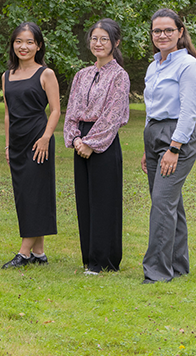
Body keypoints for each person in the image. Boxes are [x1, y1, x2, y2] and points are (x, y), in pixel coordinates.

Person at [141, 8, 196, 283]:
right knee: (170, 204)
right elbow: (151, 108)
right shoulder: (154, 66)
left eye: (168, 30)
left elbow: (189, 112)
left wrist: (174, 148)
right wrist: (147, 149)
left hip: (176, 137)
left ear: (180, 32)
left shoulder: (189, 66)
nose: (162, 35)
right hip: (154, 135)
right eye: (157, 30)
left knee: (161, 203)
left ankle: (157, 272)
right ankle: (178, 265)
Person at [63, 19, 129, 274]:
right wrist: (75, 139)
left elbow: (113, 115)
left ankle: (103, 260)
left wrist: (91, 143)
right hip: (81, 140)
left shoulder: (119, 76)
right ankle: (89, 256)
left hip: (104, 141)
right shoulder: (82, 75)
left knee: (104, 201)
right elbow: (72, 110)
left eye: (104, 39)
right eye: (94, 38)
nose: (98, 43)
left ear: (116, 42)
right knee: (85, 201)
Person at [1, 22, 60, 269]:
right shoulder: (7, 76)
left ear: (38, 46)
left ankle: (23, 254)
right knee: (25, 195)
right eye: (18, 42)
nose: (23, 47)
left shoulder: (46, 74)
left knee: (35, 194)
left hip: (38, 140)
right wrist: (7, 145)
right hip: (17, 142)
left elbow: (55, 110)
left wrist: (46, 137)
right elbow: (7, 114)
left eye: (29, 42)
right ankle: (39, 252)